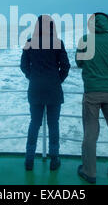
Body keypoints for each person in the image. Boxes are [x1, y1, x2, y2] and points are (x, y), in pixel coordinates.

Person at [75, 12, 108, 184]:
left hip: (91, 93)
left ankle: (89, 172)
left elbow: (79, 62)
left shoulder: (85, 39)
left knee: (91, 134)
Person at [20, 15, 70, 171]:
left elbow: (23, 65)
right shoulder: (57, 43)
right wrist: (57, 80)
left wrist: (32, 77)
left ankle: (29, 160)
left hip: (35, 88)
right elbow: (66, 66)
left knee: (34, 124)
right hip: (53, 89)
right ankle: (54, 160)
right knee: (53, 125)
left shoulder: (29, 42)